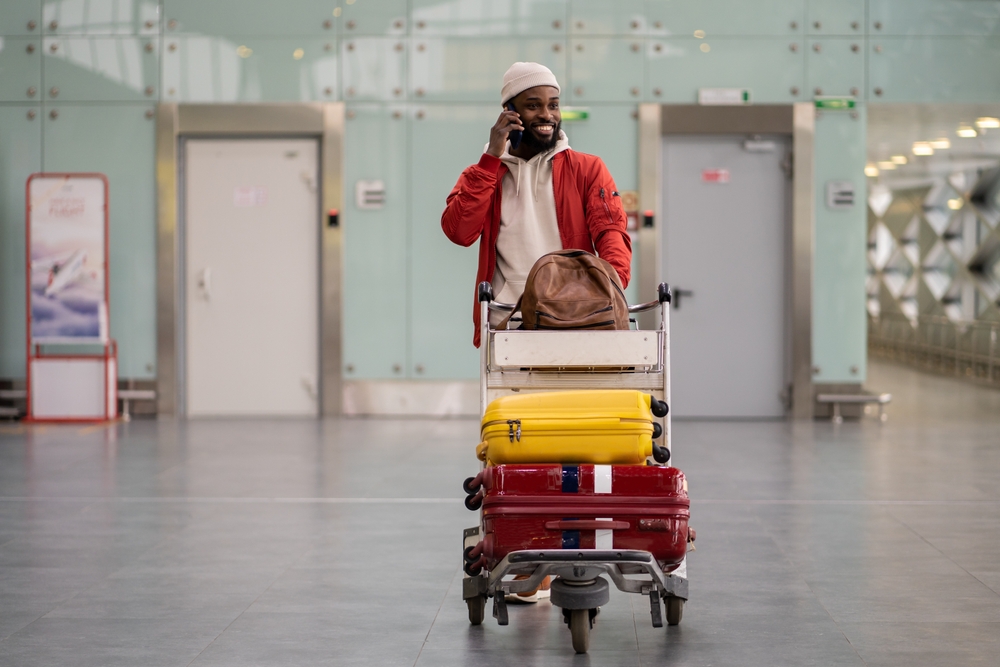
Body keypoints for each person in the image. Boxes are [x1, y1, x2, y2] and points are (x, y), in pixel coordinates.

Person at [441, 61, 632, 347]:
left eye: (553, 105)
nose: (547, 115)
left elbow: (610, 232)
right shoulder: (483, 173)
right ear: (509, 113)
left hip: (575, 317)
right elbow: (459, 232)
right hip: (506, 324)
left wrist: (607, 286)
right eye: (533, 105)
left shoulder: (587, 168)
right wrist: (492, 157)